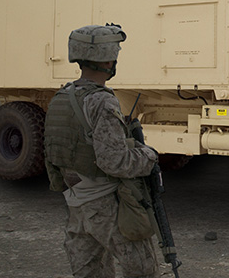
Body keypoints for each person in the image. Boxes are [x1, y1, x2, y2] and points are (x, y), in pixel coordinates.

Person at [44, 24, 160, 278]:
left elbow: (53, 154)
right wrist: (148, 156)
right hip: (105, 205)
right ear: (108, 59)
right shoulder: (101, 100)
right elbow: (114, 161)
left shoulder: (62, 96)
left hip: (76, 203)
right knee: (142, 269)